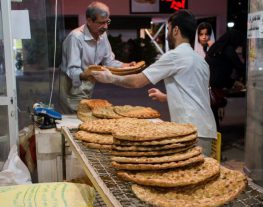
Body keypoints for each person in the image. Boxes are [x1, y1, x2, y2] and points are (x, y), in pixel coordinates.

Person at [91, 9, 217, 156]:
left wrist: (110, 77)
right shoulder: (200, 60)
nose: (167, 33)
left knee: (188, 176)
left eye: (168, 29)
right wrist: (166, 97)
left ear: (176, 30)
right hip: (207, 130)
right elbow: (196, 93)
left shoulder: (175, 56)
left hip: (190, 130)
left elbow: (137, 81)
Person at [59, 1, 135, 113]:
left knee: (84, 117)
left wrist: (125, 66)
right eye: (101, 23)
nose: (105, 27)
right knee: (75, 120)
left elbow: (108, 61)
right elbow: (72, 69)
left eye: (107, 22)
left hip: (88, 84)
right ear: (89, 21)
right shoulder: (75, 38)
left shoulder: (102, 35)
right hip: (72, 87)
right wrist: (87, 74)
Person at [205, 30, 246, 130]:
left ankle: (214, 138)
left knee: (212, 116)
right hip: (217, 85)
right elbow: (239, 67)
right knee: (214, 114)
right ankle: (215, 139)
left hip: (208, 84)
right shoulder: (228, 49)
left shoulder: (214, 48)